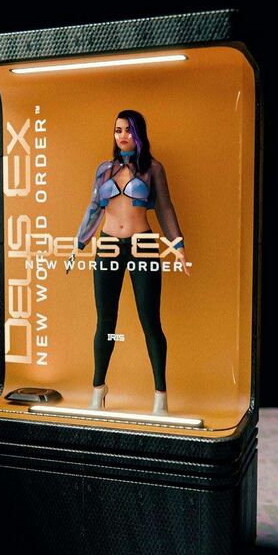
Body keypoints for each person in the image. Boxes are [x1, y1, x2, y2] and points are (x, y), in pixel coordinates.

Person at [68, 109, 190, 416]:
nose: (122, 135)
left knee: (150, 321)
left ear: (139, 134)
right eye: (118, 130)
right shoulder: (104, 169)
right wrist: (78, 244)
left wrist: (177, 245)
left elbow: (164, 207)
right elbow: (93, 208)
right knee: (105, 321)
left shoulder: (153, 168)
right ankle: (98, 390)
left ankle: (160, 396)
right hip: (108, 245)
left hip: (142, 245)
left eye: (129, 130)